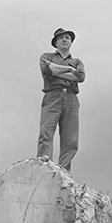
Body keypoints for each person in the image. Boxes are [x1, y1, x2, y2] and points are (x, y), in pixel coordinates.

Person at [37, 27, 85, 171]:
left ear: (71, 43)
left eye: (67, 38)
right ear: (55, 43)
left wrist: (56, 71)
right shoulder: (47, 57)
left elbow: (81, 77)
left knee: (71, 141)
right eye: (61, 38)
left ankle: (63, 173)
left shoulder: (77, 61)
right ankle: (43, 169)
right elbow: (47, 69)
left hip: (71, 98)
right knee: (46, 134)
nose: (65, 39)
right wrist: (70, 71)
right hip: (52, 96)